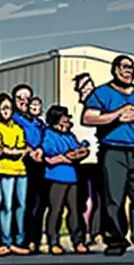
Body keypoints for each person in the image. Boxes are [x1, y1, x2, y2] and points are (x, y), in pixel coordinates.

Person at [81, 55, 134, 256]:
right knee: (114, 198)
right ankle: (116, 240)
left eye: (131, 68)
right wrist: (118, 115)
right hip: (113, 151)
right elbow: (88, 118)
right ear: (115, 70)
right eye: (124, 67)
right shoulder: (102, 93)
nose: (128, 71)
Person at [40, 105, 90, 254]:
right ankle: (53, 241)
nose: (67, 120)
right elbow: (50, 155)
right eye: (64, 117)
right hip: (56, 176)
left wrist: (68, 156)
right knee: (56, 209)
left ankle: (78, 240)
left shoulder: (70, 135)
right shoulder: (49, 134)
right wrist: (69, 156)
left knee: (74, 210)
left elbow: (78, 151)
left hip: (72, 176)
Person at [0, 93, 29, 256]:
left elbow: (21, 149)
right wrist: (11, 151)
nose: (7, 111)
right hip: (3, 169)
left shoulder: (16, 127)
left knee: (21, 206)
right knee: (6, 206)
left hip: (20, 169)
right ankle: (6, 240)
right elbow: (0, 149)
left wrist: (11, 151)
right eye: (4, 108)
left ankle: (19, 240)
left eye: (10, 108)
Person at [13, 86, 46, 253]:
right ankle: (20, 239)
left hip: (39, 163)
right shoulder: (14, 118)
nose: (23, 100)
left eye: (27, 97)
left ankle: (35, 239)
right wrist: (29, 149)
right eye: (20, 97)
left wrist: (40, 149)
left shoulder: (40, 122)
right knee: (21, 203)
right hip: (21, 162)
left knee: (38, 204)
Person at [72, 73, 103, 246]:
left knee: (100, 198)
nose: (87, 90)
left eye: (89, 86)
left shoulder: (101, 107)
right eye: (83, 87)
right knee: (80, 201)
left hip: (98, 159)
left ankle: (96, 232)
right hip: (80, 162)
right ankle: (80, 235)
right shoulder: (76, 109)